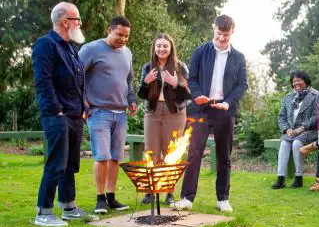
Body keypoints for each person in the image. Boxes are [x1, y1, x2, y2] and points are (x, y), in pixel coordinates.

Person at [172, 15, 248, 212]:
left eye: (226, 35)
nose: (222, 38)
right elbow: (193, 79)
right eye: (219, 34)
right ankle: (187, 198)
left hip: (224, 110)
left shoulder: (238, 57)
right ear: (213, 30)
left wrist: (228, 103)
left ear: (232, 33)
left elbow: (242, 84)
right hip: (201, 109)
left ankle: (222, 198)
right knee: (194, 154)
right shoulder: (200, 52)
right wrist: (197, 96)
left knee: (224, 156)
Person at [32, 2, 96, 227]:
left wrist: (83, 106)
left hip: (75, 115)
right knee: (56, 163)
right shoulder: (46, 45)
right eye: (76, 18)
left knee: (70, 164)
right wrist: (56, 110)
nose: (79, 23)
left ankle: (68, 206)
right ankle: (44, 211)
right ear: (64, 22)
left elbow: (77, 81)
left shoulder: (70, 47)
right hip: (57, 115)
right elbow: (43, 81)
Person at [79, 16, 137, 214]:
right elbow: (76, 75)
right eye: (119, 34)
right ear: (109, 30)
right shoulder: (90, 49)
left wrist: (132, 100)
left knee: (115, 158)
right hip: (99, 112)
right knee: (102, 157)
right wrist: (82, 101)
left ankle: (111, 197)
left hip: (120, 114)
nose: (123, 39)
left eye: (126, 36)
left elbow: (128, 80)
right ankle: (100, 198)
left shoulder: (127, 53)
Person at [137, 33, 191, 205]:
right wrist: (145, 82)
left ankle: (169, 191)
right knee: (151, 151)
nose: (161, 49)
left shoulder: (180, 67)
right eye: (158, 45)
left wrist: (177, 84)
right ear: (154, 48)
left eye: (165, 46)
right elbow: (141, 94)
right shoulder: (147, 67)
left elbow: (188, 95)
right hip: (152, 112)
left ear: (171, 48)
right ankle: (151, 191)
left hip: (174, 112)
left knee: (171, 152)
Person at [271, 70, 319, 189]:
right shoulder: (288, 97)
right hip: (291, 132)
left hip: (310, 131)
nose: (296, 83)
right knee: (284, 143)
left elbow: (318, 116)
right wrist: (286, 129)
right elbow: (281, 116)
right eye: (294, 81)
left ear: (306, 81)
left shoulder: (316, 96)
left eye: (299, 80)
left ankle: (299, 177)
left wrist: (302, 128)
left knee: (296, 143)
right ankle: (280, 178)